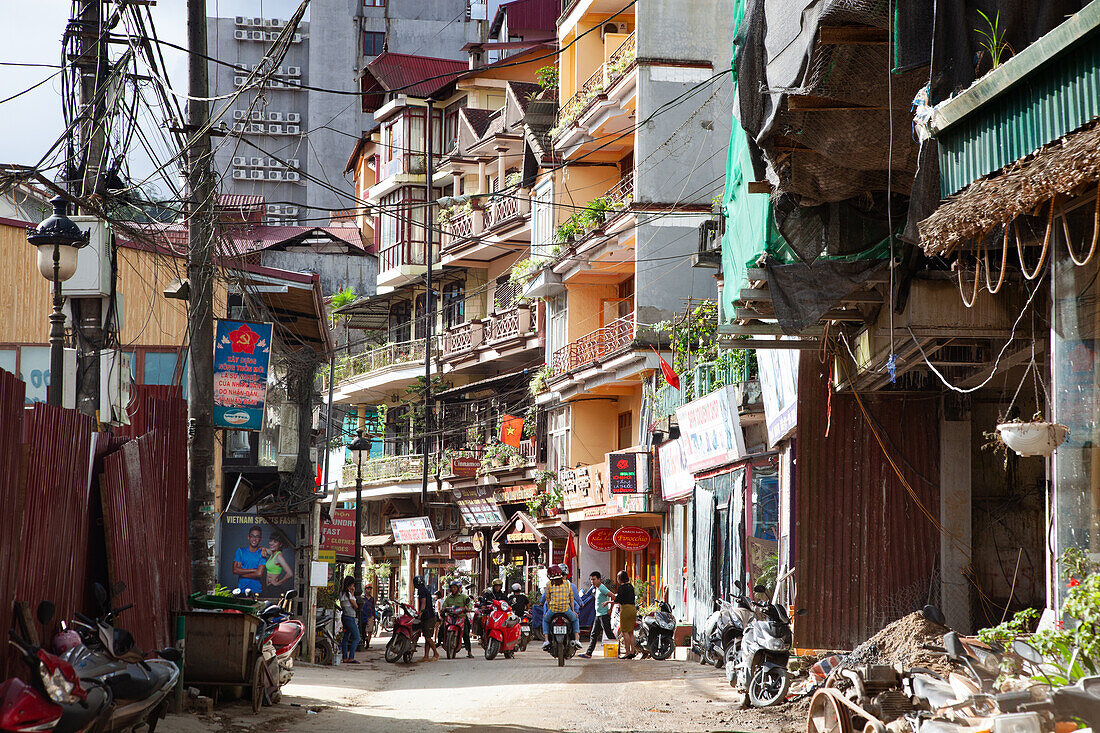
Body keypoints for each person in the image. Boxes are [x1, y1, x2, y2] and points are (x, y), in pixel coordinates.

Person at [540, 564, 581, 650]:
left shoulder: (549, 584)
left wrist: (548, 610)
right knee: (575, 619)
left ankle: (546, 640)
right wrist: (573, 610)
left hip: (553, 610)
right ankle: (577, 639)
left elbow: (547, 599)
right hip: (566, 609)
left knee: (546, 620)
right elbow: (571, 598)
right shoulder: (567, 583)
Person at [579, 571, 614, 658]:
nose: (592, 581)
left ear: (599, 579)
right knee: (593, 634)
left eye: (594, 579)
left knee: (609, 634)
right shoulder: (596, 588)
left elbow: (613, 596)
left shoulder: (602, 588)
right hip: (598, 615)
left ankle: (617, 651)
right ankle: (588, 653)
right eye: (591, 580)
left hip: (603, 615)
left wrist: (610, 608)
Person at [440, 579, 474, 657]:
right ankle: (439, 642)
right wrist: (443, 609)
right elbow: (444, 605)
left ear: (458, 588)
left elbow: (469, 604)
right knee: (441, 629)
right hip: (450, 617)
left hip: (461, 617)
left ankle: (469, 651)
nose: (453, 589)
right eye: (452, 587)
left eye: (455, 587)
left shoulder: (463, 597)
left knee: (466, 633)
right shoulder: (448, 598)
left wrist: (468, 608)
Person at [232, 525, 265, 594]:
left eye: (257, 537)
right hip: (242, 590)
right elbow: (235, 570)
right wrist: (254, 570)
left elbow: (259, 574)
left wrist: (241, 573)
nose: (254, 539)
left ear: (260, 538)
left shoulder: (262, 553)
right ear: (248, 537)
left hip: (256, 591)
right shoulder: (240, 551)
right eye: (252, 536)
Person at [613, 570, 637, 659]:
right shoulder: (631, 586)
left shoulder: (621, 588)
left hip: (625, 609)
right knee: (631, 632)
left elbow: (617, 600)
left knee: (625, 632)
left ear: (620, 578)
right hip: (633, 609)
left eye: (618, 577)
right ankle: (632, 651)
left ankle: (627, 653)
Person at [414, 576, 439, 662]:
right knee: (426, 636)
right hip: (428, 616)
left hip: (428, 617)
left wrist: (420, 613)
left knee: (428, 637)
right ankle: (426, 656)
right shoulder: (424, 589)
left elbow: (423, 603)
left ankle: (436, 653)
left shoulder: (421, 590)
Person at [338, 576, 361, 664]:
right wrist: (353, 593)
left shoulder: (342, 593)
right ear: (350, 584)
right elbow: (356, 606)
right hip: (350, 617)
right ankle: (351, 657)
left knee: (346, 637)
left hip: (345, 616)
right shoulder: (349, 594)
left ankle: (344, 657)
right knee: (357, 637)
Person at [360, 585, 376, 650]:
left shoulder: (372, 599)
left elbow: (373, 607)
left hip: (370, 615)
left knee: (370, 630)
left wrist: (374, 617)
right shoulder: (362, 598)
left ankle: (368, 643)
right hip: (363, 615)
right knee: (363, 630)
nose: (369, 590)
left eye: (370, 589)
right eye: (368, 589)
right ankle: (364, 642)